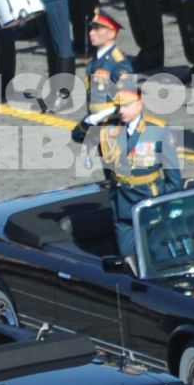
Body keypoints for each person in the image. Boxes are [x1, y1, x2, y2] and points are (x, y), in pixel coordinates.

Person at [73, 83, 184, 258]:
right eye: (119, 106)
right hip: (122, 201)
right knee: (127, 254)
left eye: (127, 105)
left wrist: (165, 199)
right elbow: (78, 135)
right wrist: (97, 117)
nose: (122, 110)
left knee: (156, 252)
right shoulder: (108, 129)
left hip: (149, 200)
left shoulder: (157, 130)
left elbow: (173, 175)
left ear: (140, 104)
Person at [85, 11, 134, 109]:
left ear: (111, 33)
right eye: (91, 29)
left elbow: (128, 98)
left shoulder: (118, 62)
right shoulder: (95, 58)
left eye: (97, 29)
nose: (91, 33)